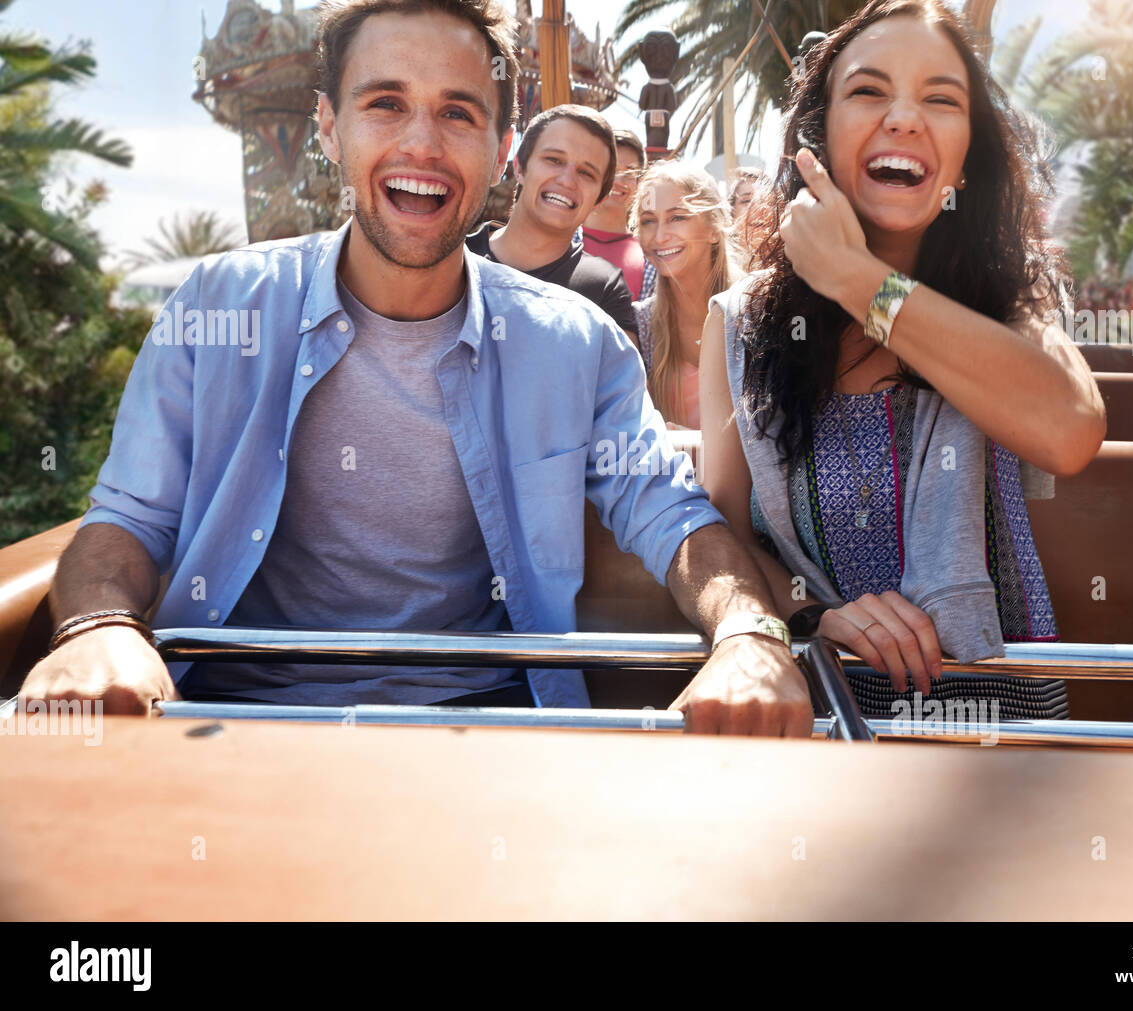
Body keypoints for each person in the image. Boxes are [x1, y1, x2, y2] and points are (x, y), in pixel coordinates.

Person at [19, 0, 813, 737]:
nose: (422, 146)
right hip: (233, 713)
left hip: (487, 718)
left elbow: (672, 516)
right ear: (329, 126)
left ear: (502, 149)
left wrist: (751, 632)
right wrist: (97, 627)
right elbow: (128, 517)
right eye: (385, 104)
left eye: (458, 112)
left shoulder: (574, 344)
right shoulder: (218, 307)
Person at [698, 0, 1106, 718]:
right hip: (812, 700)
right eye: (868, 90)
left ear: (968, 159)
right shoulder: (741, 323)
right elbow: (724, 530)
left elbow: (1070, 428)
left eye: (940, 99)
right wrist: (811, 615)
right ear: (817, 136)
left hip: (994, 721)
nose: (905, 118)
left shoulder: (1012, 300)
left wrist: (858, 281)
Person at [465, 104, 636, 334]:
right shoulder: (454, 261)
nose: (567, 181)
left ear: (599, 198)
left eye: (586, 173)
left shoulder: (604, 289)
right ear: (519, 167)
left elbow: (625, 370)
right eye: (554, 160)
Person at [631, 160, 736, 430]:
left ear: (714, 228)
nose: (660, 236)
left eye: (678, 217)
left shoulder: (759, 312)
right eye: (648, 221)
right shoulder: (638, 326)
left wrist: (693, 443)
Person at [580, 128, 655, 301]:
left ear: (639, 183)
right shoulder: (560, 241)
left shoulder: (651, 256)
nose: (619, 181)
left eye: (629, 173)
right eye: (611, 169)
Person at [727, 166, 770, 273]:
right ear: (732, 212)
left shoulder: (793, 268)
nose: (758, 208)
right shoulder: (719, 271)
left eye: (765, 200)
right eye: (746, 201)